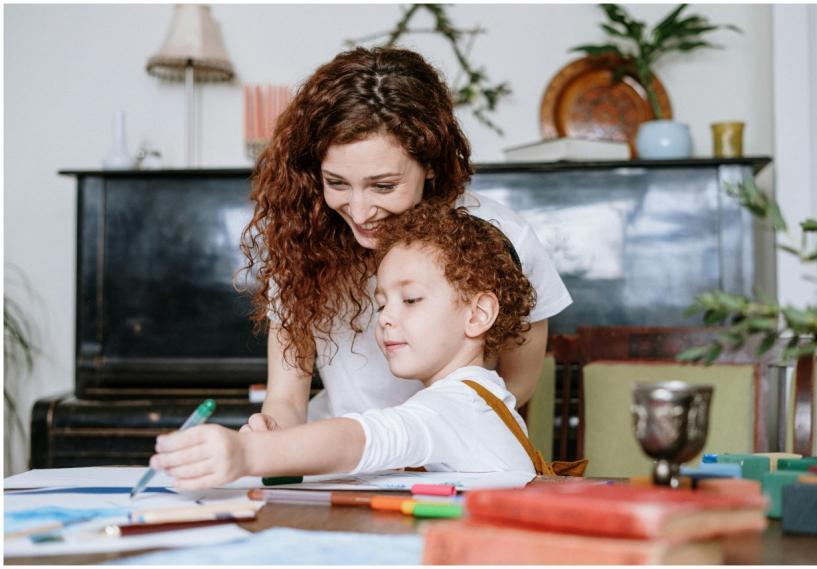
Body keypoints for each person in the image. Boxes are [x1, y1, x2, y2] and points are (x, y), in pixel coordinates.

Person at [240, 46, 571, 435]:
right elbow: (287, 398)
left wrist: (424, 441)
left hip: (450, 451)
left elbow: (517, 385)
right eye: (337, 183)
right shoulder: (302, 240)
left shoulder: (504, 239)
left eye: (383, 185)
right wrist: (270, 432)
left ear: (430, 164)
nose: (360, 212)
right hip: (338, 456)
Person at [151, 204, 539, 488]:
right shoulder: (476, 397)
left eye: (411, 300)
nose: (384, 317)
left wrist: (248, 454)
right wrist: (282, 445)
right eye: (382, 302)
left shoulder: (457, 405)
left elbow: (362, 438)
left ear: (478, 313)